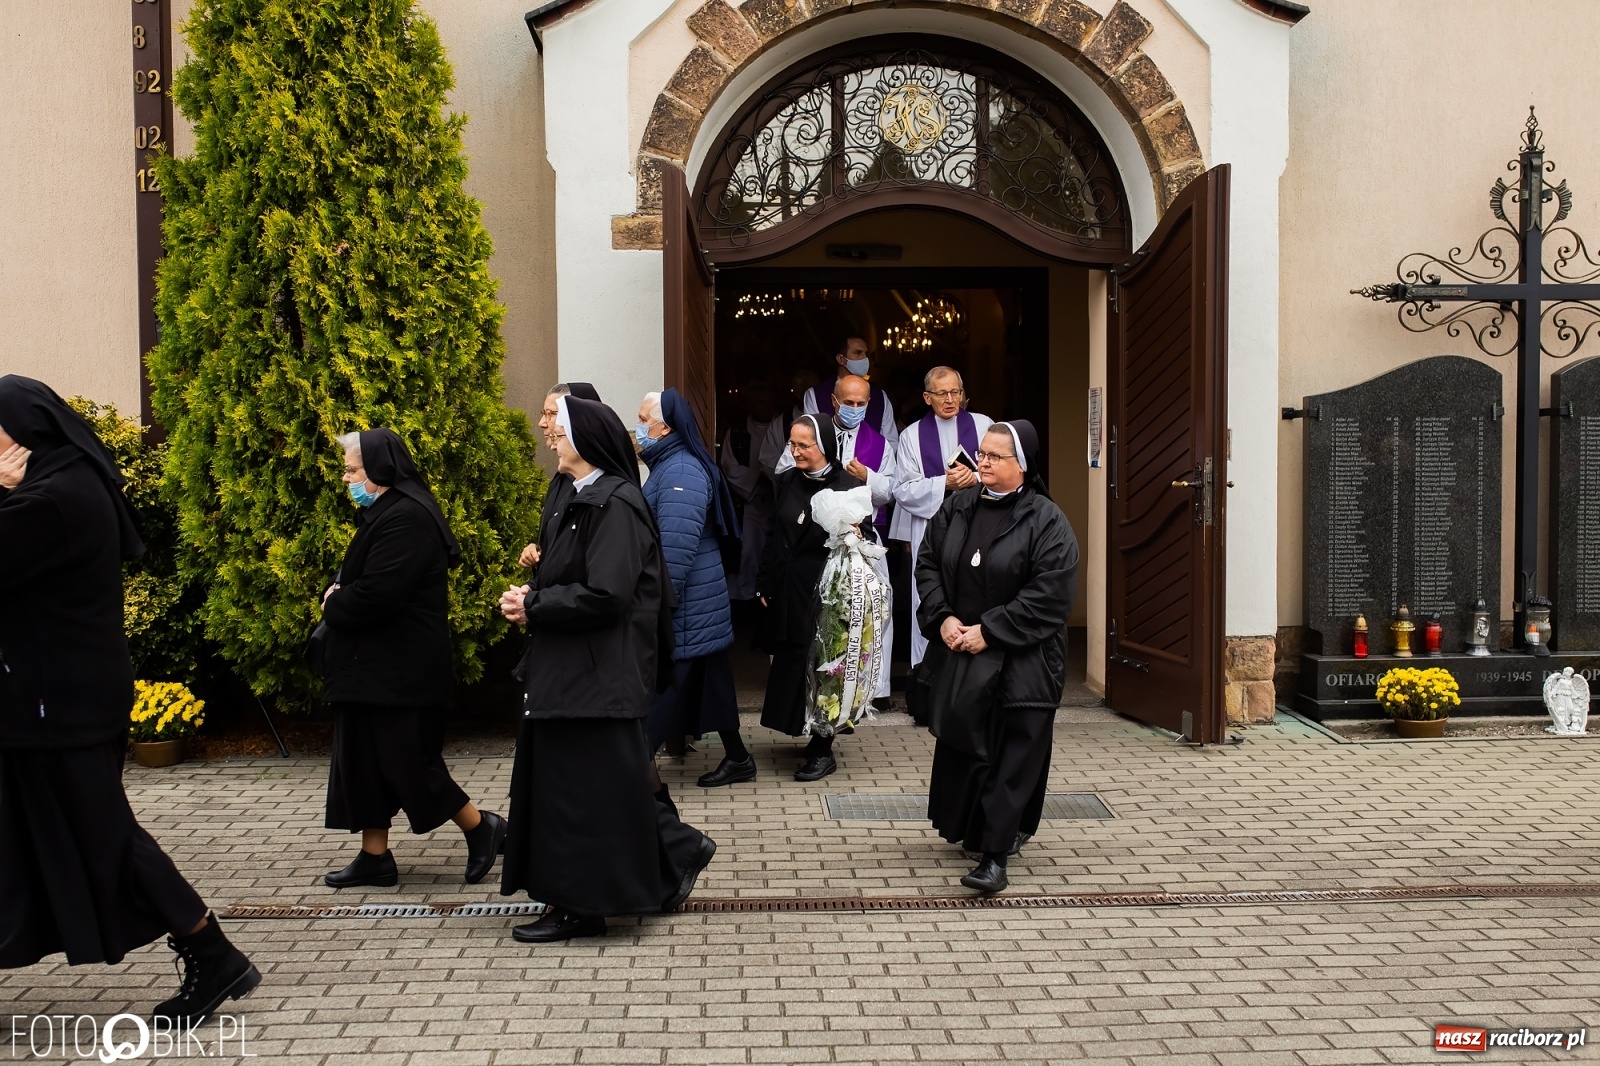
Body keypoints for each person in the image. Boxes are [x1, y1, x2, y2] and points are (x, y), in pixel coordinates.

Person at [0, 375, 259, 1026]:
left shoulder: (56, 499)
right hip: (49, 703)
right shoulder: (59, 489)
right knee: (25, 837)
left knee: (105, 836)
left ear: (23, 433)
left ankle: (212, 951)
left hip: (59, 708)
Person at [498, 395, 715, 943]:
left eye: (559, 428)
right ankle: (671, 860)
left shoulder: (614, 503)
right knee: (602, 789)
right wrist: (534, 593)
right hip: (573, 672)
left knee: (584, 794)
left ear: (587, 440)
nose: (549, 434)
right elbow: (572, 573)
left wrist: (537, 606)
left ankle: (582, 906)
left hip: (597, 676)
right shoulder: (576, 493)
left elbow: (607, 593)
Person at [319, 429, 507, 889]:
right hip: (376, 669)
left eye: (352, 470)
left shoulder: (406, 516)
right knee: (362, 761)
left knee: (409, 764)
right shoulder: (389, 510)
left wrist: (334, 601)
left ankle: (482, 827)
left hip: (400, 672)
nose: (346, 479)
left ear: (380, 470)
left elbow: (379, 594)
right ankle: (374, 856)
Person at [916, 421, 1078, 895]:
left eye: (994, 456)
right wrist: (943, 617)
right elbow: (928, 564)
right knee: (969, 743)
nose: (981, 462)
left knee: (1014, 752)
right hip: (963, 647)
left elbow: (1050, 593)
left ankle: (995, 857)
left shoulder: (1047, 520)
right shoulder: (957, 508)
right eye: (980, 453)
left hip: (1026, 658)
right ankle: (975, 830)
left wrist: (992, 631)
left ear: (1021, 465)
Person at [636, 388, 754, 788]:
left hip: (686, 605)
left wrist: (656, 604)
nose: (637, 429)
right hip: (699, 604)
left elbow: (676, 550)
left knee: (665, 688)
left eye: (643, 420)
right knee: (713, 684)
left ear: (665, 427)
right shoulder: (672, 465)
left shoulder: (680, 472)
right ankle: (738, 758)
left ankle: (631, 765)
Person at [757, 414, 871, 781]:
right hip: (790, 588)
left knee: (826, 668)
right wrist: (765, 581)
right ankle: (805, 730)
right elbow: (774, 533)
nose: (796, 451)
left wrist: (854, 530)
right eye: (792, 444)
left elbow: (861, 541)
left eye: (804, 445)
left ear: (823, 445)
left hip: (827, 590)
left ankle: (823, 747)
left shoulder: (847, 484)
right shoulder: (786, 480)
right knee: (792, 660)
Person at [775, 375, 896, 703]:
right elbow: (784, 476)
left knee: (867, 615)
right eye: (849, 402)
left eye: (861, 404)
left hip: (861, 541)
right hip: (807, 553)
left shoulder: (881, 442)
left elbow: (891, 489)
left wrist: (866, 478)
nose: (855, 409)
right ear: (834, 401)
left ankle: (875, 689)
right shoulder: (810, 430)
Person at [890, 367, 993, 698]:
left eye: (955, 393)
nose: (950, 400)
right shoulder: (911, 437)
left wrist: (976, 479)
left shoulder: (984, 426)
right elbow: (902, 490)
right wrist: (943, 483)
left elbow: (1004, 471)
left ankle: (976, 685)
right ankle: (928, 684)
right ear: (927, 397)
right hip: (932, 528)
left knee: (977, 593)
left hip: (979, 524)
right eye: (942, 394)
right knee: (930, 597)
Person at [519, 381, 604, 571]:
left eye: (552, 414)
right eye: (543, 414)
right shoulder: (561, 478)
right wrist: (536, 550)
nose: (542, 423)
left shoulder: (600, 485)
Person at [719, 381, 784, 603]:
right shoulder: (737, 431)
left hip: (777, 500)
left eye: (766, 402)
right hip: (749, 502)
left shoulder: (783, 427)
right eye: (758, 402)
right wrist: (758, 480)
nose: (762, 406)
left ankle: (769, 595)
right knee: (747, 551)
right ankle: (743, 597)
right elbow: (728, 466)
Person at [801, 336, 899, 448]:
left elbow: (891, 443)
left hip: (871, 464)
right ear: (841, 359)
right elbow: (809, 440)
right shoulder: (815, 395)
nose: (864, 358)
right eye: (858, 353)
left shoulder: (880, 397)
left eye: (866, 354)